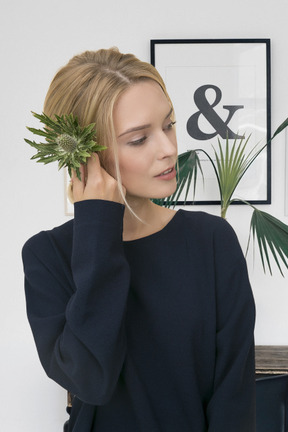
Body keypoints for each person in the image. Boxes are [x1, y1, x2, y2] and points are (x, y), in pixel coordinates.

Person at [22, 47, 256, 432]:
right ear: (86, 154)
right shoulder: (48, 255)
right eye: (137, 139)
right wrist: (97, 224)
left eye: (169, 125)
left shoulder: (212, 241)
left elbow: (235, 401)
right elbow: (90, 380)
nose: (168, 149)